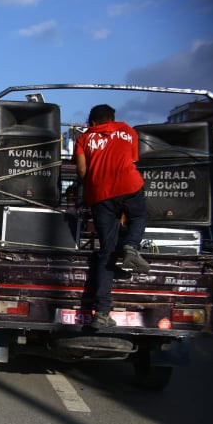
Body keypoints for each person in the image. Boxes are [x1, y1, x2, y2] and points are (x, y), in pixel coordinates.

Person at [74, 104, 150, 330]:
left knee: (107, 252)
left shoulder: (85, 138)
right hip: (129, 186)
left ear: (93, 122)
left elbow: (81, 171)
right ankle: (131, 247)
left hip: (100, 194)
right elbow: (131, 161)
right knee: (138, 215)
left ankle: (102, 313)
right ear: (112, 118)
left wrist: (91, 184)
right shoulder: (129, 131)